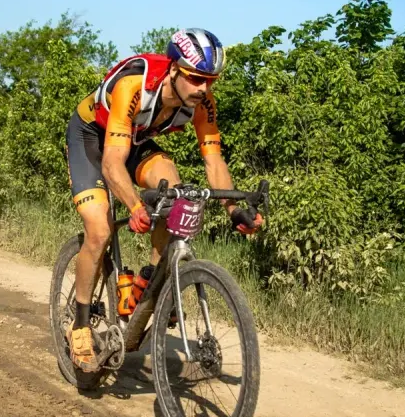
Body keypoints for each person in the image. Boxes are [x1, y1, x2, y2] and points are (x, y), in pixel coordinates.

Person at [63, 28, 264, 372]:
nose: (204, 88)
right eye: (197, 78)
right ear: (174, 69)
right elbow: (112, 162)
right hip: (92, 140)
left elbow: (214, 161)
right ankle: (80, 324)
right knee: (99, 230)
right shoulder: (134, 86)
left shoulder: (203, 102)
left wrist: (234, 209)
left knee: (175, 192)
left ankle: (147, 284)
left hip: (134, 141)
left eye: (211, 80)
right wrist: (135, 206)